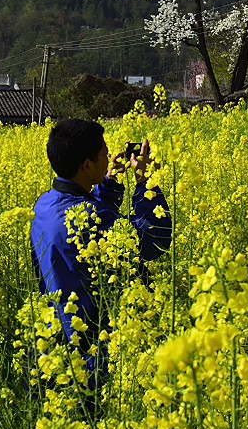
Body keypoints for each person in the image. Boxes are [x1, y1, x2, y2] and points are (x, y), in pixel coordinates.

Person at [30, 119, 172, 383]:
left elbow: (87, 219)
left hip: (55, 339)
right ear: (86, 165)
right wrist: (146, 182)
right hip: (92, 351)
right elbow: (155, 239)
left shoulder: (44, 204)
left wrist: (108, 183)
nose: (109, 159)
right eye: (104, 156)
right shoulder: (90, 215)